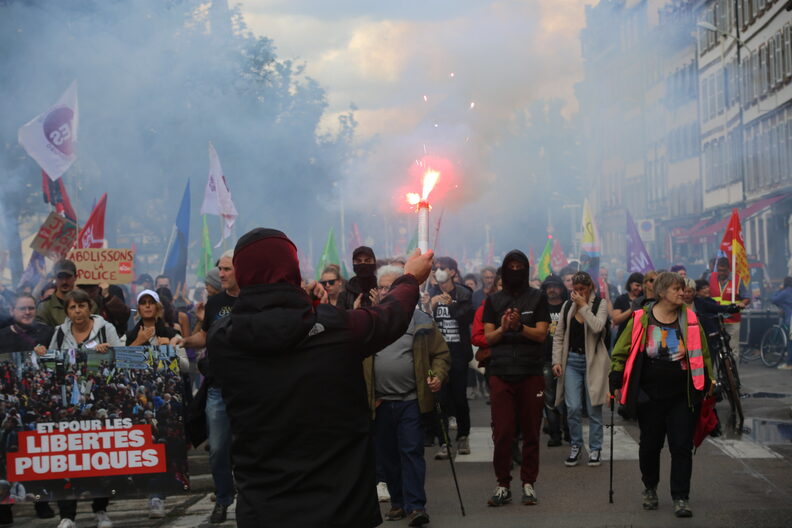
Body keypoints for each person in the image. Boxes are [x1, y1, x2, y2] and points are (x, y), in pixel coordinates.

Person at [208, 228, 433, 528]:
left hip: (265, 507)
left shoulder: (222, 339)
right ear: (292, 269)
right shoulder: (334, 328)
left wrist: (306, 306)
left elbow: (275, 329)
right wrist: (409, 279)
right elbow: (389, 316)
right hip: (341, 505)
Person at [609, 272, 715, 518]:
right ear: (662, 292)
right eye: (677, 289)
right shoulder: (640, 319)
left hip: (682, 395)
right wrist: (615, 377)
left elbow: (703, 353)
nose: (682, 293)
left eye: (683, 289)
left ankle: (681, 497)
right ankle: (650, 488)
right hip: (650, 395)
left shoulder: (690, 319)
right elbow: (621, 350)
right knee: (649, 446)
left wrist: (708, 381)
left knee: (681, 447)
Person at [363, 265, 450, 526]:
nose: (387, 291)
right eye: (383, 286)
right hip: (379, 401)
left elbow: (441, 355)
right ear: (377, 291)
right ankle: (398, 502)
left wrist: (436, 375)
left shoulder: (420, 320)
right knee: (387, 455)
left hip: (410, 399)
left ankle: (416, 506)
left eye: (393, 286)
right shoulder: (367, 320)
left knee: (411, 451)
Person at [47, 289, 122, 528]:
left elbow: (121, 358)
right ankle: (67, 515)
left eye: (81, 306)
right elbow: (49, 367)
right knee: (68, 461)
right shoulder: (59, 333)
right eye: (72, 307)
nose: (77, 311)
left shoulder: (105, 328)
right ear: (67, 311)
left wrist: (107, 351)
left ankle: (101, 510)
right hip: (68, 408)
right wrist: (42, 354)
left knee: (99, 459)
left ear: (90, 307)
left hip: (99, 404)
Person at [173, 250, 237, 524]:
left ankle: (254, 497)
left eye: (226, 269)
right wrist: (185, 341)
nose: (221, 274)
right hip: (217, 387)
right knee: (218, 447)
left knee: (251, 446)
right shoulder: (215, 303)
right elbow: (205, 336)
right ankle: (223, 499)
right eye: (219, 269)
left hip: (250, 388)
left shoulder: (255, 299)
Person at [482, 250, 550, 507]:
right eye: (510, 266)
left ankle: (528, 483)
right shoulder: (493, 300)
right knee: (502, 433)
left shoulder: (537, 298)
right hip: (501, 373)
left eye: (519, 266)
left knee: (531, 431)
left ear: (527, 269)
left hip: (531, 372)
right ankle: (503, 484)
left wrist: (520, 326)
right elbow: (488, 338)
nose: (514, 270)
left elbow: (542, 334)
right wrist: (503, 327)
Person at [551, 272, 610, 467]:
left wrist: (584, 306)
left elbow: (598, 327)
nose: (578, 293)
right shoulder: (567, 306)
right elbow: (559, 336)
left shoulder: (599, 304)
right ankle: (575, 445)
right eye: (575, 290)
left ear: (590, 288)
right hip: (572, 362)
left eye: (582, 290)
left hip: (592, 361)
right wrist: (556, 361)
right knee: (573, 407)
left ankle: (595, 448)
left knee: (593, 408)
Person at [428, 256, 474, 459]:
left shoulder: (464, 293)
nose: (438, 271)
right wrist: (431, 305)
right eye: (436, 268)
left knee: (459, 397)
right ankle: (444, 441)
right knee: (440, 399)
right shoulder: (430, 293)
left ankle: (463, 435)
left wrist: (451, 305)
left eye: (443, 268)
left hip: (458, 354)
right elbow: (423, 319)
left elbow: (466, 317)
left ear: (453, 272)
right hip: (437, 355)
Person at [541, 275, 566, 447]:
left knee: (567, 399)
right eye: (549, 286)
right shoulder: (540, 307)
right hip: (545, 359)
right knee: (549, 400)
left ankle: (570, 432)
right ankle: (555, 434)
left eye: (555, 286)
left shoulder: (568, 306)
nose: (552, 289)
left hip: (567, 359)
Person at [709, 257, 750, 362]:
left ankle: (733, 375)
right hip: (715, 319)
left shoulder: (737, 280)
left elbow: (747, 297)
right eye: (719, 270)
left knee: (733, 348)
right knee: (715, 347)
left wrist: (742, 303)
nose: (721, 273)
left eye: (723, 270)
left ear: (729, 269)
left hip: (732, 320)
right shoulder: (710, 277)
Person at [36, 259, 96, 327]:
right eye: (60, 277)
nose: (64, 281)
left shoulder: (89, 305)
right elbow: (42, 333)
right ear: (55, 278)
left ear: (75, 277)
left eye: (68, 277)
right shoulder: (45, 307)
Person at [612, 273, 644, 342]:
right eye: (637, 285)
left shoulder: (645, 299)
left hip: (640, 340)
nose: (640, 289)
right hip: (623, 340)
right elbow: (616, 320)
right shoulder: (621, 299)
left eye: (642, 286)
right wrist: (631, 309)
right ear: (630, 284)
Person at [770, 277, 792, 370]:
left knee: (790, 341)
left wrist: (779, 289)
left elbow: (774, 299)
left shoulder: (785, 292)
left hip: (789, 319)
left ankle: (789, 363)